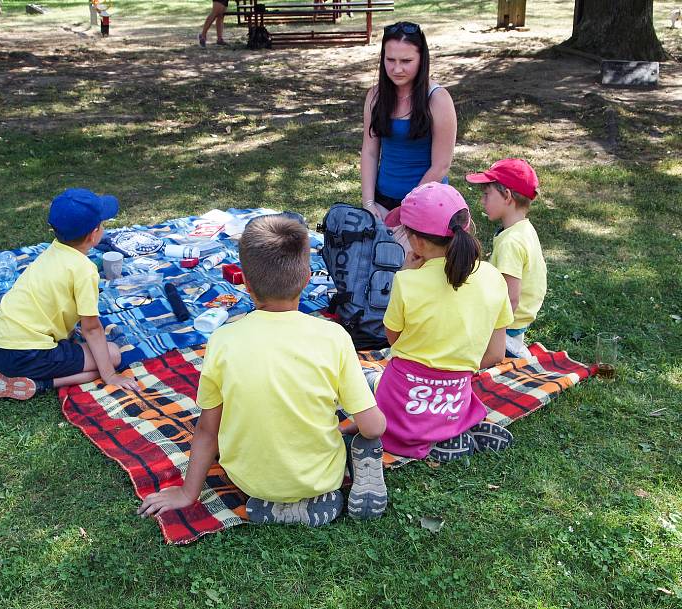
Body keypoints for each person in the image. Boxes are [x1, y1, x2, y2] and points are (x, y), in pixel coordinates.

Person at [138, 214, 388, 526]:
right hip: (321, 476)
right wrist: (352, 428)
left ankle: (272, 501)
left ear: (244, 280)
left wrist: (188, 493)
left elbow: (207, 429)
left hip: (248, 481)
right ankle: (320, 494)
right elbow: (374, 427)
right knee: (366, 422)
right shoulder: (334, 337)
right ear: (308, 276)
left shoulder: (222, 341)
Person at [368, 182, 515, 462]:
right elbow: (496, 354)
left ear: (417, 242)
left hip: (402, 404)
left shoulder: (407, 281)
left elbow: (395, 340)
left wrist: (407, 272)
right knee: (445, 402)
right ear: (467, 226)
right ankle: (452, 429)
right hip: (453, 400)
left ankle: (435, 437)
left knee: (366, 384)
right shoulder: (494, 277)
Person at [0, 188, 141, 400]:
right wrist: (110, 375)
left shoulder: (53, 250)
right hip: (25, 355)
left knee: (88, 351)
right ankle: (26, 383)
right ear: (93, 234)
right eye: (103, 224)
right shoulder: (84, 269)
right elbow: (91, 329)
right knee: (113, 355)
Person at [360, 22, 457, 244]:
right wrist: (368, 204)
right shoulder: (375, 97)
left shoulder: (438, 99)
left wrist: (408, 209)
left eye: (406, 61)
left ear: (422, 59)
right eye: (390, 60)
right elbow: (370, 152)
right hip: (382, 203)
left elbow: (441, 165)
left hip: (426, 206)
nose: (397, 69)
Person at [466, 158, 546, 359]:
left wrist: (487, 331)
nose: (482, 201)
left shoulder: (511, 242)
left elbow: (510, 299)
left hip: (506, 328)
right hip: (517, 323)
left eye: (486, 195)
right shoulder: (524, 228)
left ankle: (511, 350)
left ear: (507, 196)